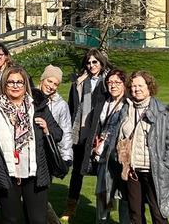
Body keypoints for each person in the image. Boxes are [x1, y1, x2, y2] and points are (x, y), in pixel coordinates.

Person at [0, 65, 63, 224]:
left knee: (37, 220)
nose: (15, 86)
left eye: (19, 82)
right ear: (4, 85)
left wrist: (46, 128)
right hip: (6, 173)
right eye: (11, 82)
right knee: (11, 219)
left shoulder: (37, 107)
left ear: (25, 85)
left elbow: (58, 134)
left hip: (35, 174)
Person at [119, 71, 169, 224]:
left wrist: (167, 167)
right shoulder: (126, 109)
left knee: (158, 215)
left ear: (149, 87)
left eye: (140, 85)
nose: (136, 89)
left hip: (155, 171)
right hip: (133, 171)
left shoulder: (162, 111)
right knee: (135, 215)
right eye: (133, 86)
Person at [62, 48, 110, 222]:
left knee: (103, 174)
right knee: (77, 172)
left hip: (101, 133)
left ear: (101, 62)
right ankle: (71, 206)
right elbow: (72, 108)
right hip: (81, 132)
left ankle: (103, 212)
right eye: (89, 63)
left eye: (94, 62)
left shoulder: (109, 81)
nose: (91, 66)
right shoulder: (80, 83)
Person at [86, 69, 130, 224]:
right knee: (104, 194)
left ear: (124, 84)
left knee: (124, 195)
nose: (113, 86)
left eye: (117, 82)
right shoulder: (103, 101)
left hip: (121, 156)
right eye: (110, 82)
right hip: (103, 155)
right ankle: (104, 221)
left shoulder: (128, 104)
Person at [38, 64, 73, 224]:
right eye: (49, 81)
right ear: (42, 79)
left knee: (40, 196)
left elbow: (65, 133)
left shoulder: (61, 105)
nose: (51, 86)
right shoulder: (28, 96)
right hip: (27, 154)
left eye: (55, 84)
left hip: (47, 156)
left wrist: (66, 157)